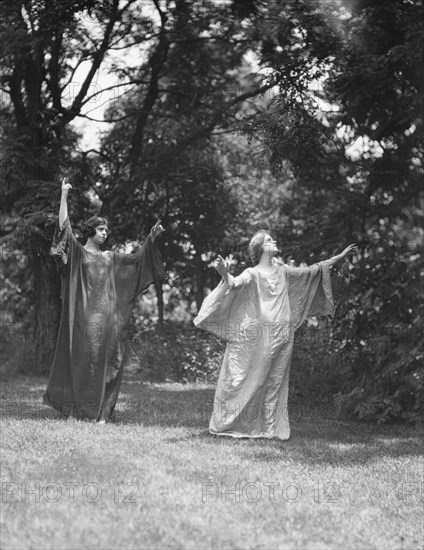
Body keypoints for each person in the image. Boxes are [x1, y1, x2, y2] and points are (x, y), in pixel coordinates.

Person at [194, 230, 357, 440]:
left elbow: (313, 270)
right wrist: (225, 273)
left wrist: (340, 257)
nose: (275, 241)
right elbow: (235, 283)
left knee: (276, 381)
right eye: (269, 240)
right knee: (256, 378)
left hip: (284, 333)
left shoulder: (284, 271)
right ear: (260, 247)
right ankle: (230, 422)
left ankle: (270, 428)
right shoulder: (253, 273)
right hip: (264, 335)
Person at [44, 177, 166, 422]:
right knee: (81, 362)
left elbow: (139, 260)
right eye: (101, 230)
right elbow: (64, 230)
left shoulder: (111, 258)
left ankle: (102, 414)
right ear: (90, 230)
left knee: (111, 364)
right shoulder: (78, 254)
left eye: (107, 230)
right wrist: (64, 196)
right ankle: (76, 410)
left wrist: (151, 238)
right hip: (83, 320)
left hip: (109, 322)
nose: (105, 233)